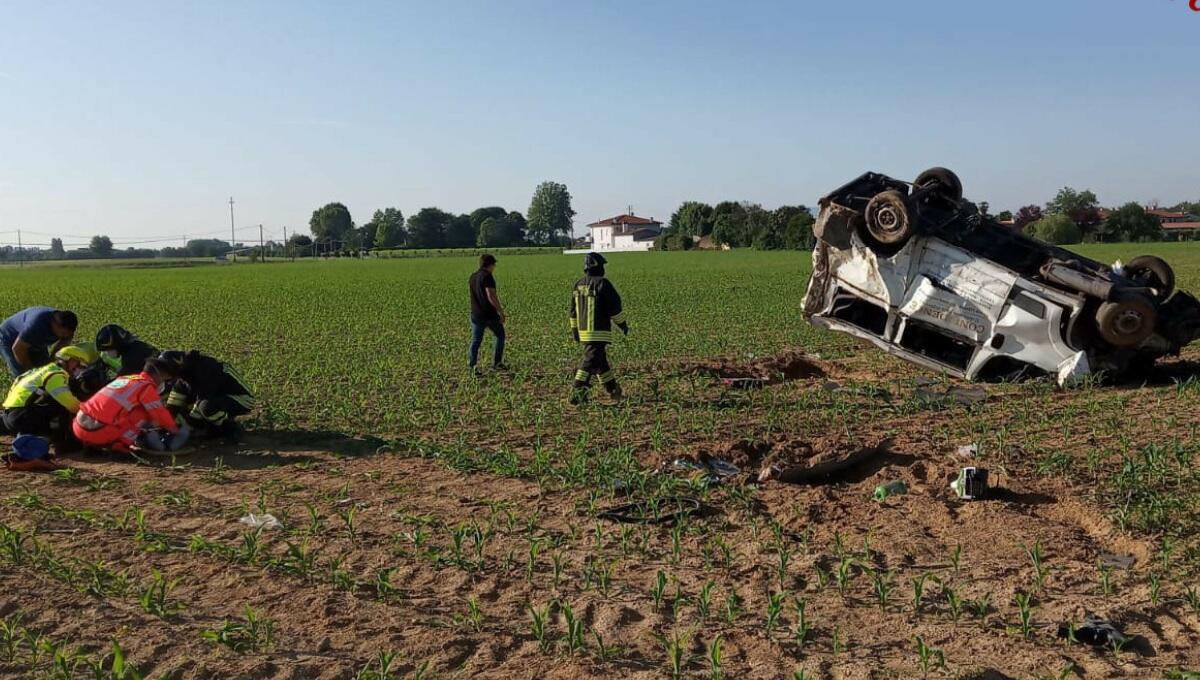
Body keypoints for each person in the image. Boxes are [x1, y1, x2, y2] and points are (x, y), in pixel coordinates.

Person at [72, 358, 188, 454]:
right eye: (165, 379)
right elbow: (159, 414)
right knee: (144, 413)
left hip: (78, 426)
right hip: (99, 433)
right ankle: (121, 445)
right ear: (159, 375)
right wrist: (175, 431)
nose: (164, 383)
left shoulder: (126, 379)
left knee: (120, 412)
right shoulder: (146, 387)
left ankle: (91, 445)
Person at [2, 345, 93, 449]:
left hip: (8, 414)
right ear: (67, 358)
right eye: (79, 363)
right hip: (22, 417)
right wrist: (90, 412)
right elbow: (71, 404)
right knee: (61, 405)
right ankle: (59, 442)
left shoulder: (41, 370)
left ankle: (32, 434)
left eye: (83, 367)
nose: (80, 368)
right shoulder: (56, 375)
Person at [568, 252, 629, 404]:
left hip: (583, 332)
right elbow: (614, 307)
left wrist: (575, 331)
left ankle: (612, 388)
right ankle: (577, 391)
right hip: (598, 332)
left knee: (601, 363)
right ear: (598, 266)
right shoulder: (603, 283)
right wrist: (622, 325)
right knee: (589, 361)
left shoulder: (579, 284)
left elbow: (573, 311)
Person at [159, 350, 254, 439]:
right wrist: (164, 425)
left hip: (242, 399)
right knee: (183, 413)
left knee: (206, 407)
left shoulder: (205, 369)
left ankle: (229, 428)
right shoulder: (183, 377)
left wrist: (184, 430)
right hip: (216, 397)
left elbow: (200, 404)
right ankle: (212, 427)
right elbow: (173, 404)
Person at [0, 307, 78, 377]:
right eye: (63, 334)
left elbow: (59, 349)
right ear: (56, 325)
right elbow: (18, 348)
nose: (63, 337)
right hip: (8, 338)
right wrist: (31, 371)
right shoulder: (36, 324)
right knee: (24, 375)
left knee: (46, 371)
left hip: (35, 341)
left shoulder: (67, 328)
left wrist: (53, 363)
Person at [468, 253, 508, 373]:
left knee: (476, 341)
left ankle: (472, 366)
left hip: (476, 314)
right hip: (489, 314)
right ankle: (497, 363)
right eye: (494, 265)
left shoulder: (473, 277)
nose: (494, 267)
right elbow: (491, 295)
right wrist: (500, 312)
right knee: (500, 335)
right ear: (490, 265)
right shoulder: (487, 276)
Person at [94, 324, 159, 377]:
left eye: (108, 350)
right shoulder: (138, 345)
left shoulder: (130, 359)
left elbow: (120, 381)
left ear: (117, 345)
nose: (107, 353)